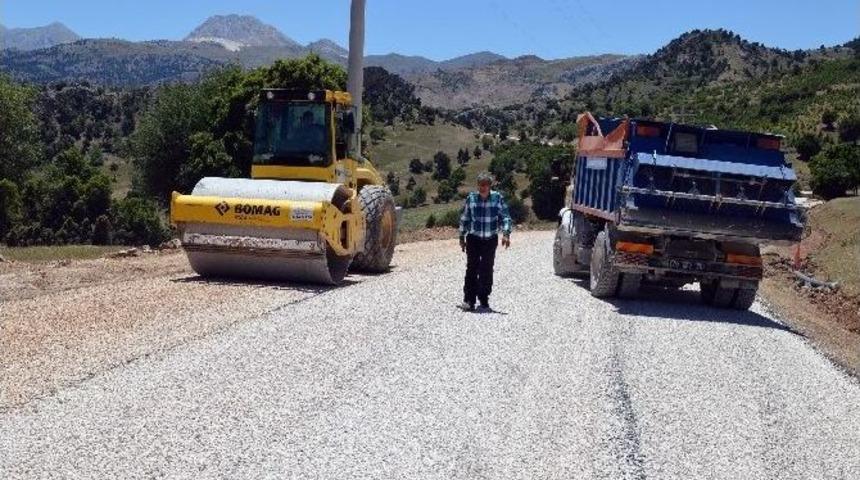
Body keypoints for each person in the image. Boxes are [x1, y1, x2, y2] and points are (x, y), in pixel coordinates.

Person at [458, 172, 512, 312]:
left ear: (490, 186)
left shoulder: (497, 198)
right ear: (477, 185)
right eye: (480, 185)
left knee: (486, 270)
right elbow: (465, 218)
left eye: (485, 185)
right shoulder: (471, 198)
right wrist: (461, 237)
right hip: (474, 239)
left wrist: (506, 234)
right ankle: (469, 300)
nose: (483, 187)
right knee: (472, 268)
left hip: (490, 239)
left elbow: (505, 217)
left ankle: (483, 299)